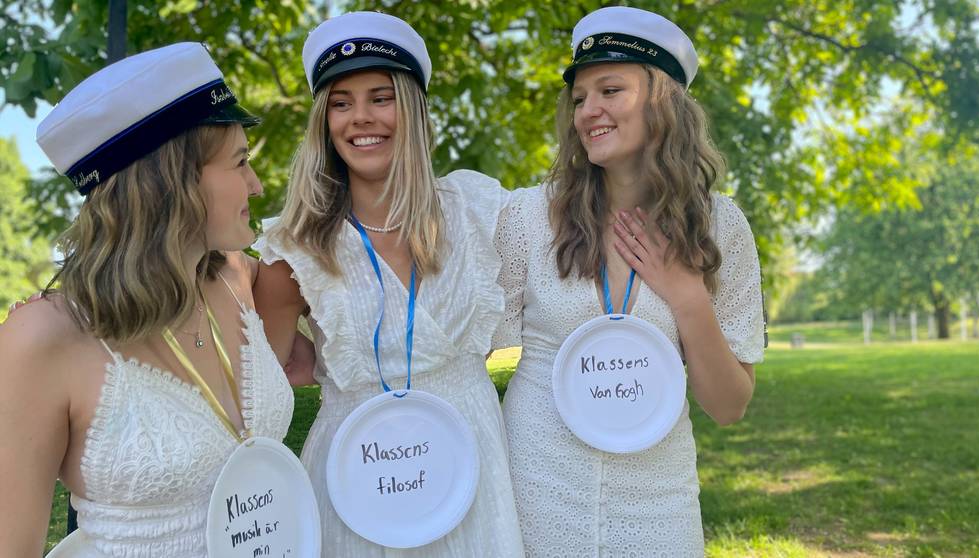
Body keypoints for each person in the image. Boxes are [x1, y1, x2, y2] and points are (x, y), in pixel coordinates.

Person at [0, 42, 296, 557]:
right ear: (169, 183)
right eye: (240, 162)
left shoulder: (238, 277)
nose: (255, 185)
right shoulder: (43, 339)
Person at [494, 6, 766, 556]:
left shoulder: (719, 226)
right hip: (537, 489)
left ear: (663, 101)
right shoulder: (528, 218)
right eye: (579, 98)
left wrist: (687, 297)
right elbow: (464, 349)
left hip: (658, 500)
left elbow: (729, 406)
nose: (588, 111)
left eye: (610, 90)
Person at [252, 11, 525, 557]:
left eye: (381, 98)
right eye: (340, 103)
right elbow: (261, 395)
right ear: (324, 121)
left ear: (413, 109)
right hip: (356, 474)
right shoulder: (295, 246)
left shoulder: (476, 211)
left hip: (470, 462)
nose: (360, 117)